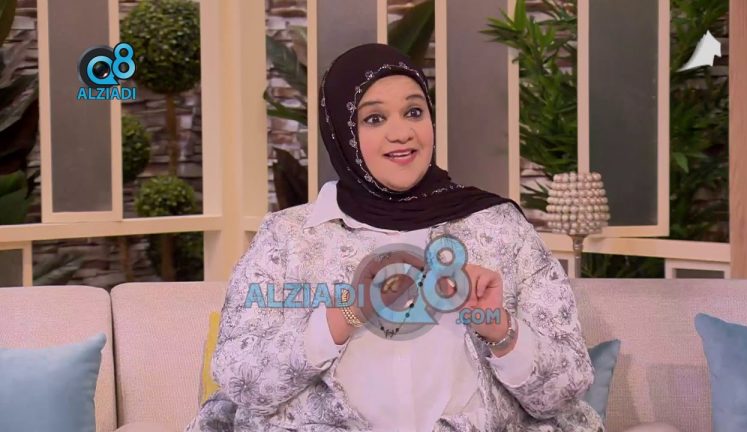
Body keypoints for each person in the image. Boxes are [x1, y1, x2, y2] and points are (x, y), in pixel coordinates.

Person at [186, 43, 603, 432]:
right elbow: (242, 383)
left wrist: (500, 329)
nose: (401, 133)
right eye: (374, 118)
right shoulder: (288, 237)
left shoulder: (499, 227)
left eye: (414, 112)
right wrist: (346, 314)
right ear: (342, 134)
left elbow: (564, 393)